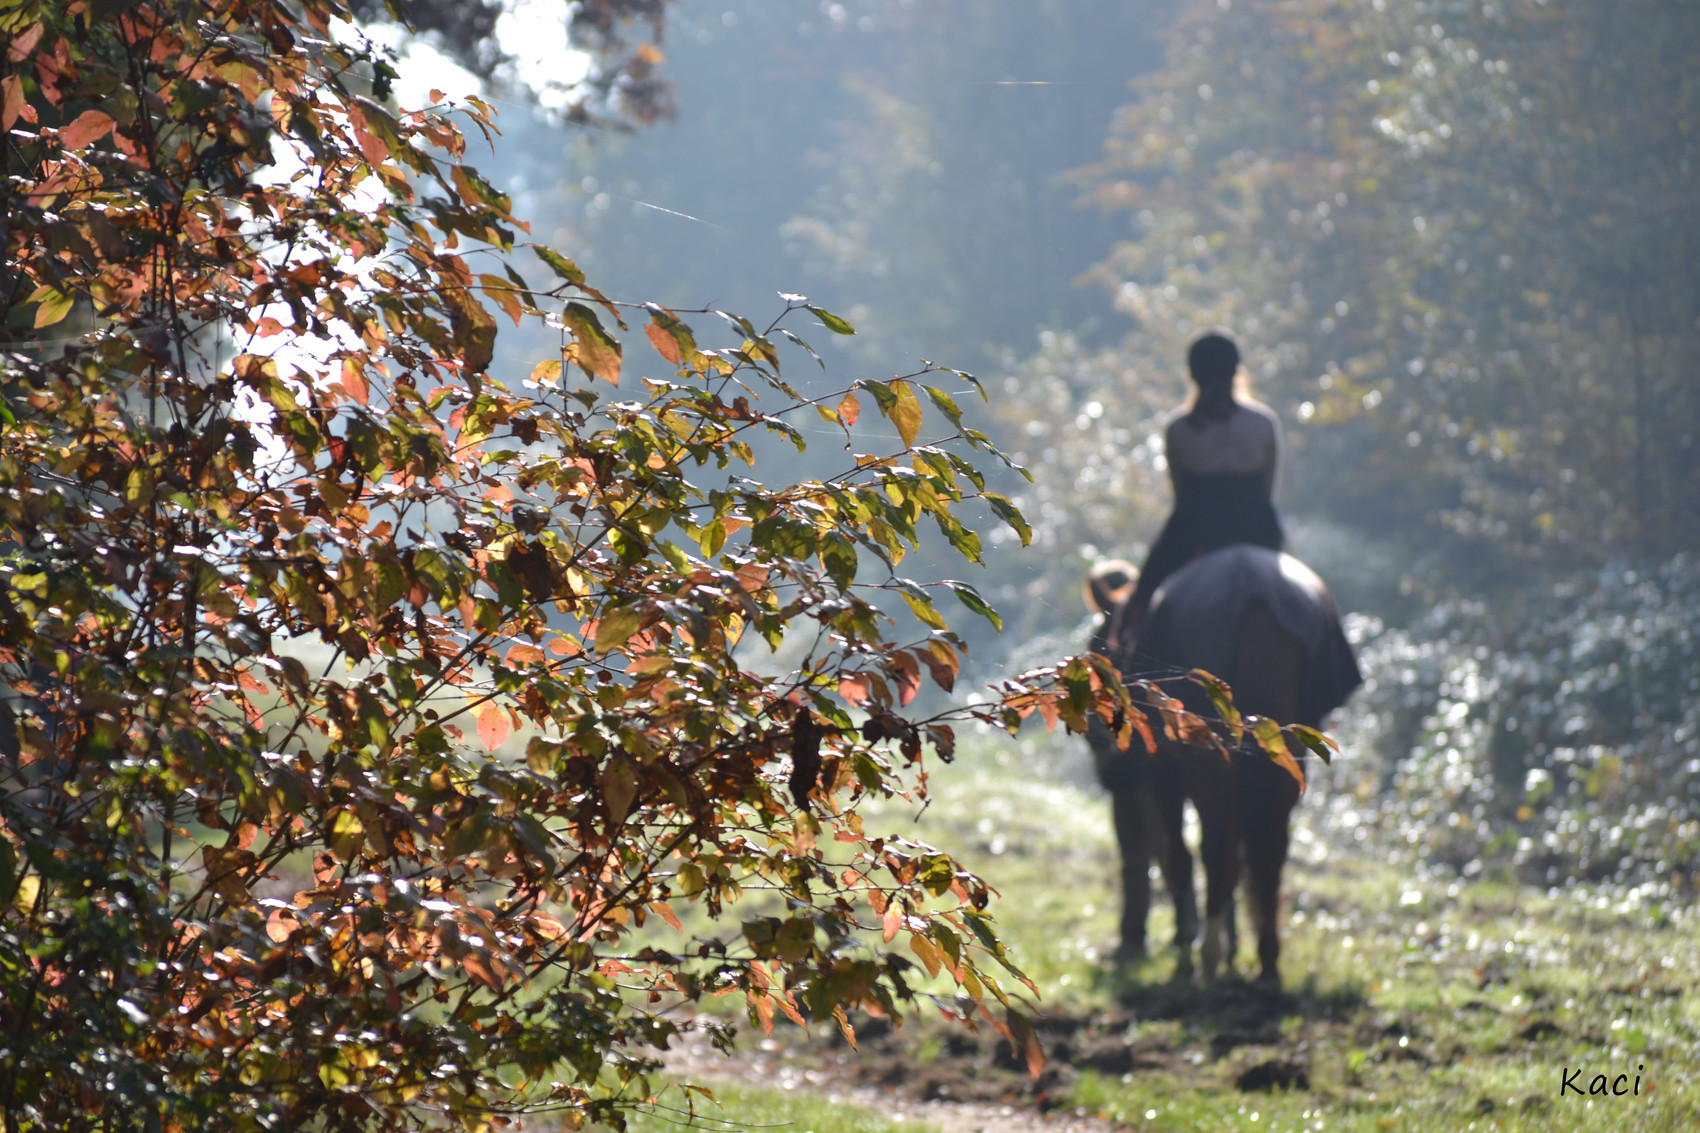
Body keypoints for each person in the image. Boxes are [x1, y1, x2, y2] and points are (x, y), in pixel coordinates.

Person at [1112, 332, 1284, 648]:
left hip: (1195, 532)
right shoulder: (1264, 422)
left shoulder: (1178, 429)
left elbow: (1181, 496)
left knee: (1141, 607)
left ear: (1192, 374)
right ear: (1237, 371)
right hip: (1258, 529)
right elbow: (1267, 491)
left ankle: (1125, 653)